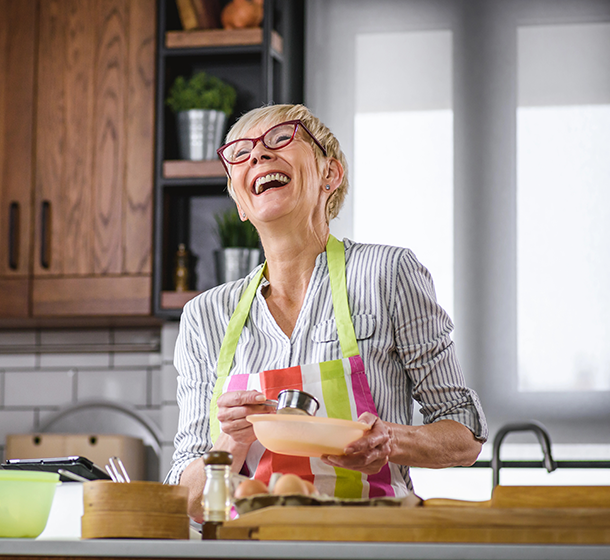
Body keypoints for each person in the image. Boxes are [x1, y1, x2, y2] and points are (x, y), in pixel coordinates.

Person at [165, 104, 487, 521]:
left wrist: (389, 439)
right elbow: (185, 496)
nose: (259, 155)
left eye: (281, 138)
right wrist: (231, 443)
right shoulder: (205, 315)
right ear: (241, 203)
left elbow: (464, 435)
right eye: (240, 153)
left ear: (329, 175)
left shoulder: (387, 274)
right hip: (249, 549)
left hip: (372, 543)